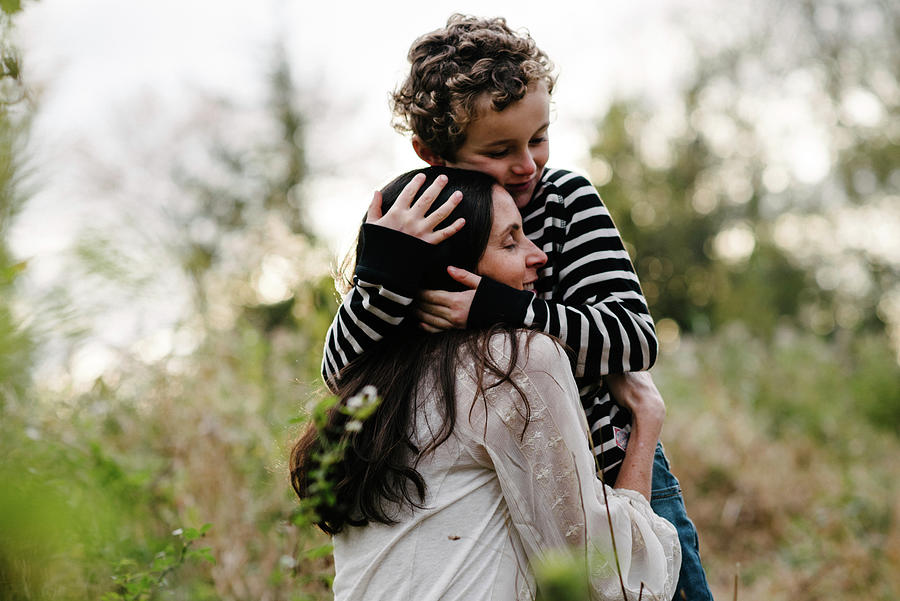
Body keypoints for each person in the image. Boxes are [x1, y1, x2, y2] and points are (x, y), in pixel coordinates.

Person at [321, 14, 713, 600]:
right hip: (502, 482)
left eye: (539, 137)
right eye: (500, 150)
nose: (528, 164)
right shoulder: (424, 223)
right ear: (434, 154)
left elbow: (634, 338)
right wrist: (382, 277)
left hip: (610, 465)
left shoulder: (567, 200)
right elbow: (343, 374)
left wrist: (499, 307)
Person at [292, 166, 681, 601]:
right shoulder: (514, 360)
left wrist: (386, 272)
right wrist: (647, 419)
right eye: (511, 241)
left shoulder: (369, 387)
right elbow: (606, 575)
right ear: (455, 271)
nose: (539, 256)